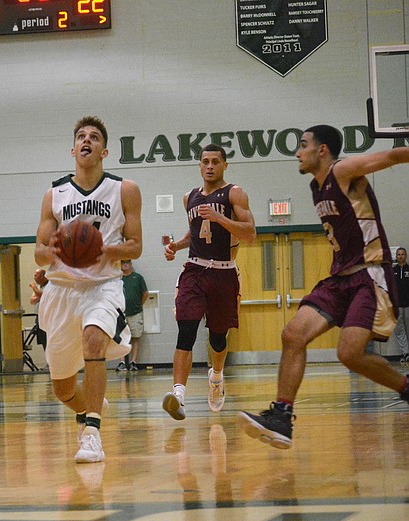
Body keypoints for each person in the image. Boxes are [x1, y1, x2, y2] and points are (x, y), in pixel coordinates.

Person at [238, 125, 409, 449]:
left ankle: (405, 387)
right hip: (340, 277)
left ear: (323, 150)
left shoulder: (342, 170)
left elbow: (390, 156)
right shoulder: (317, 188)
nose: (297, 152)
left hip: (369, 274)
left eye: (303, 145)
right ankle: (281, 417)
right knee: (293, 335)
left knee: (349, 353)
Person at [34, 115, 142, 464]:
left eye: (94, 137)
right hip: (62, 291)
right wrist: (52, 250)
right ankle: (86, 409)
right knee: (63, 389)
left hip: (103, 285)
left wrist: (104, 249)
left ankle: (92, 433)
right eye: (81, 136)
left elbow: (136, 246)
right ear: (73, 149)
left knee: (94, 339)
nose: (87, 140)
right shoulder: (54, 193)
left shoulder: (124, 189)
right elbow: (38, 251)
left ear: (104, 150)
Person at [162, 143, 256, 420]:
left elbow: (250, 233)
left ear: (225, 165)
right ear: (200, 166)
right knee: (186, 329)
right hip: (194, 270)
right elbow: (196, 233)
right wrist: (176, 247)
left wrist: (219, 217)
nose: (210, 165)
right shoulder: (189, 197)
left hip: (224, 273)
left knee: (217, 337)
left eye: (216, 161)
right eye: (205, 161)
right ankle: (178, 394)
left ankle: (216, 376)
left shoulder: (234, 193)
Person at [116, 260, 148, 372]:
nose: (125, 264)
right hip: (121, 314)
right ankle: (122, 362)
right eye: (123, 262)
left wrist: (138, 305)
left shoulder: (138, 278)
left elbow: (145, 294)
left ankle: (133, 362)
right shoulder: (117, 278)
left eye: (127, 262)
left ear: (131, 264)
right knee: (122, 339)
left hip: (135, 312)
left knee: (135, 337)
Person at [393, 247, 409, 363]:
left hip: (408, 304)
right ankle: (405, 353)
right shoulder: (392, 271)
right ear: (396, 256)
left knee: (407, 328)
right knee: (399, 330)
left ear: (406, 256)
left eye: (403, 254)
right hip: (397, 305)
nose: (400, 256)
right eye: (398, 254)